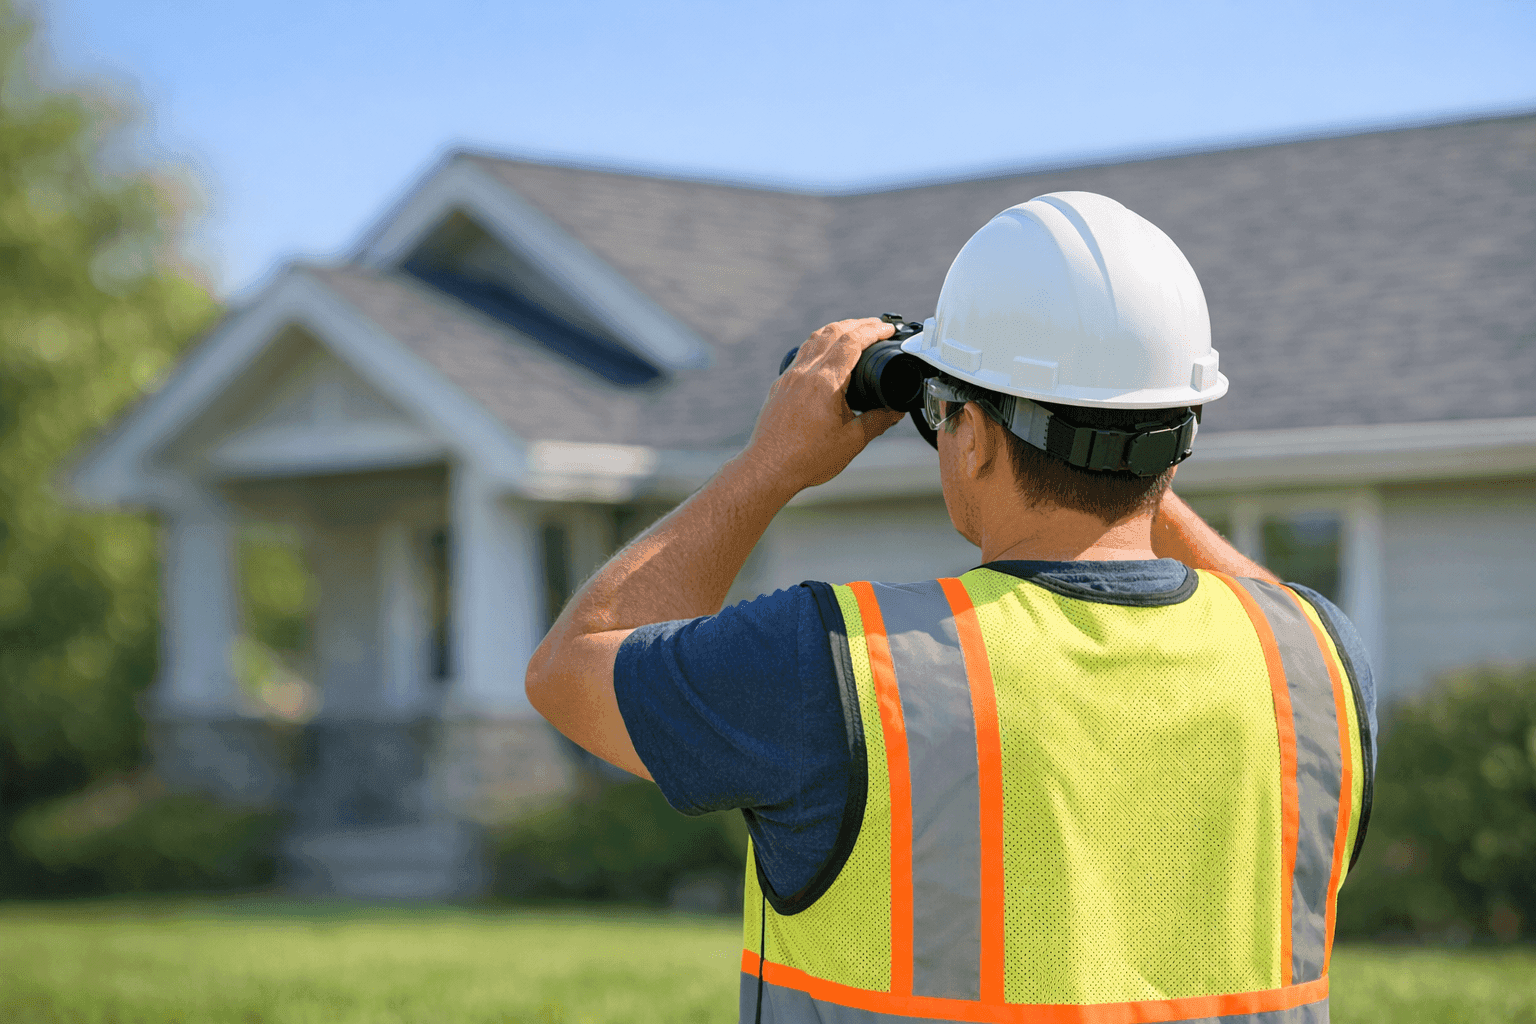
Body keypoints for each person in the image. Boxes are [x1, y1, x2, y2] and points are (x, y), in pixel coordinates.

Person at [526, 192, 1375, 1024]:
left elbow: (573, 666)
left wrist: (773, 459)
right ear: (1183, 427)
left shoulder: (838, 664)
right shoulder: (1313, 665)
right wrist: (1127, 456)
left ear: (969, 437)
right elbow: (1256, 592)